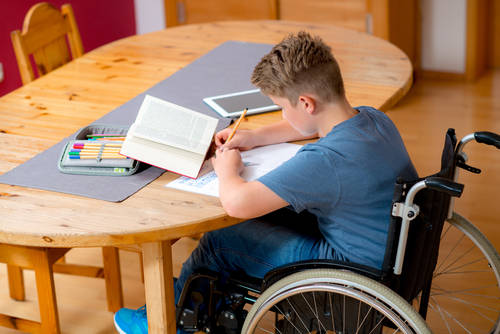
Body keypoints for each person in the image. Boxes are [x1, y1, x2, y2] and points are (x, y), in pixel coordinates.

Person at [113, 31, 418, 334]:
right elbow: (308, 126)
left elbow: (236, 203)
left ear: (306, 103)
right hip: (391, 256)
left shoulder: (325, 160)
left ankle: (171, 321)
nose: (284, 115)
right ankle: (196, 301)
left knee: (222, 238)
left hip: (352, 275)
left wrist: (227, 170)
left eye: (283, 107)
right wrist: (256, 137)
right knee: (271, 212)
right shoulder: (373, 119)